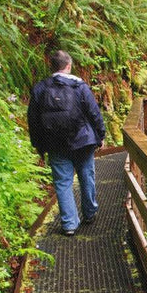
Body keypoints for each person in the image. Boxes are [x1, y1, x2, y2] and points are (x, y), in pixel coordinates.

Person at [28, 50, 106, 236]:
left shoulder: (40, 89)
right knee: (87, 176)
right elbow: (93, 112)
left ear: (52, 66)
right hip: (83, 141)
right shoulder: (79, 86)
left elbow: (33, 120)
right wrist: (100, 135)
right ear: (68, 66)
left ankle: (69, 224)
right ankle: (89, 213)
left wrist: (38, 145)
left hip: (55, 144)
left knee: (63, 182)